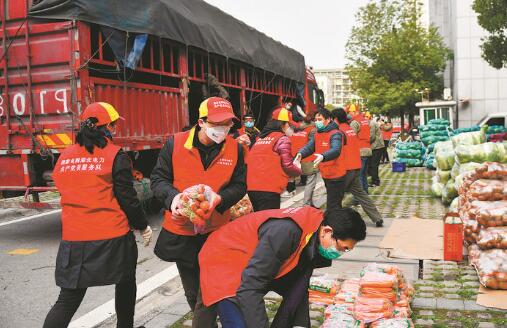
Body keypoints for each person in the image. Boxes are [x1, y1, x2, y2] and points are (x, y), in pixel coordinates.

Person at [43, 102, 152, 328]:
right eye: (113, 125)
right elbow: (127, 198)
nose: (115, 130)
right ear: (108, 127)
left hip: (74, 239)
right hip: (112, 236)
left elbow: (65, 188)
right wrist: (142, 225)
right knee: (125, 281)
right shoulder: (115, 155)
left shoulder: (65, 156)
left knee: (68, 298)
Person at [151, 96, 246, 327]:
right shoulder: (175, 143)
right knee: (193, 292)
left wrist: (220, 198)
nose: (222, 129)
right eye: (216, 124)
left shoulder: (236, 149)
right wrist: (174, 198)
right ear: (201, 122)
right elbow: (158, 179)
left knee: (210, 290)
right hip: (182, 231)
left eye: (227, 124)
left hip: (216, 230)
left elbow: (240, 185)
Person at [198, 206, 367, 328]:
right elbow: (250, 287)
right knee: (238, 320)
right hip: (225, 260)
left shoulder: (314, 230)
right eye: (342, 248)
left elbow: (298, 287)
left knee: (296, 284)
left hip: (256, 259)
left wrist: (300, 325)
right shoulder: (286, 232)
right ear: (327, 231)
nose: (341, 253)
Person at [333, 108, 384, 227]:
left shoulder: (340, 131)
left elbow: (339, 151)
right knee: (361, 194)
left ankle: (334, 222)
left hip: (347, 168)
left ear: (335, 119)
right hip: (356, 164)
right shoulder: (350, 129)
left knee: (336, 196)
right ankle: (377, 218)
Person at [247, 106, 302, 211]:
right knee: (270, 223)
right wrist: (298, 171)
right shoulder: (282, 139)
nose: (291, 128)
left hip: (252, 189)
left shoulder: (260, 139)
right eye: (289, 125)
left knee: (258, 222)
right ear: (282, 124)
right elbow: (287, 165)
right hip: (269, 190)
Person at [295, 108, 346, 211]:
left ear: (328, 120)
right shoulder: (318, 133)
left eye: (320, 119)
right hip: (326, 174)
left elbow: (336, 150)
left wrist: (323, 156)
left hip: (336, 175)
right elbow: (310, 147)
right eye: (316, 119)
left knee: (333, 206)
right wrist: (300, 154)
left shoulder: (335, 133)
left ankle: (333, 224)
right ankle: (334, 222)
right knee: (333, 204)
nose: (317, 122)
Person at [349, 108, 372, 193]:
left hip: (360, 150)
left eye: (350, 112)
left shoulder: (355, 122)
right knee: (363, 175)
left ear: (354, 112)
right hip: (368, 149)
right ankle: (365, 192)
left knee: (358, 176)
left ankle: (360, 197)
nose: (349, 114)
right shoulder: (365, 121)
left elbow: (351, 137)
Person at [368, 117, 385, 187]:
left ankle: (375, 181)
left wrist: (365, 142)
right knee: (374, 165)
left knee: (374, 165)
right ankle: (375, 180)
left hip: (376, 146)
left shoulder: (371, 124)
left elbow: (372, 136)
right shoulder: (373, 123)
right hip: (378, 146)